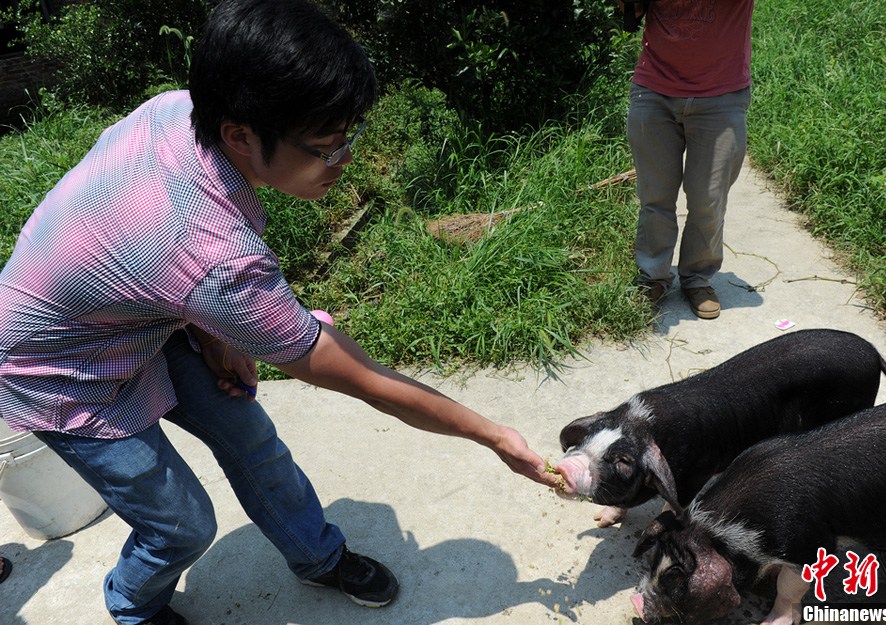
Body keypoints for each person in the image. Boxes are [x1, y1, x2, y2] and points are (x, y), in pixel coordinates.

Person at [0, 1, 557, 623]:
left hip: (138, 314)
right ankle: (133, 604)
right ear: (239, 133)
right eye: (325, 147)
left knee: (252, 439)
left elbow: (148, 262)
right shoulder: (211, 253)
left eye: (349, 138)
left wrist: (210, 326)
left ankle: (318, 558)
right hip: (58, 371)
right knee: (183, 527)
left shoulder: (178, 109)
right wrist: (494, 435)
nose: (343, 160)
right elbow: (367, 381)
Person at [626, 0, 754, 319]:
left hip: (721, 98)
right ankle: (652, 276)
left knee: (708, 200)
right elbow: (631, 14)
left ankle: (697, 277)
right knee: (655, 198)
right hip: (654, 91)